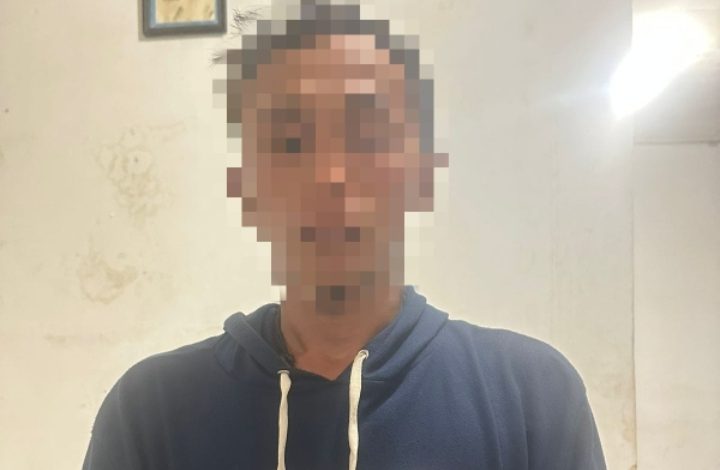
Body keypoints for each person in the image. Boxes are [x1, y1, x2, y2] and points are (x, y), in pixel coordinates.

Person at [82, 1, 607, 469]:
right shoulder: (151, 416)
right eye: (291, 141)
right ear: (247, 188)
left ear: (420, 175)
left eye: (366, 137)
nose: (330, 176)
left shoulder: (530, 400)